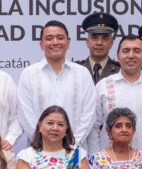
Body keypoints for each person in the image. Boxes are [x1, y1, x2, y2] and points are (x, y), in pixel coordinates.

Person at [88, 35, 142, 164]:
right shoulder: (103, 86)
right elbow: (93, 126)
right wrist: (97, 158)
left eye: (137, 51)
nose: (131, 55)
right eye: (126, 51)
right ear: (118, 56)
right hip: (109, 166)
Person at [17, 20, 96, 149]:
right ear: (41, 45)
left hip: (75, 151)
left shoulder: (82, 73)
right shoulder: (29, 74)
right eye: (49, 38)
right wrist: (43, 143)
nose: (55, 42)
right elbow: (25, 114)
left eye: (60, 38)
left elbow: (89, 113)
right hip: (38, 151)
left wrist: (72, 144)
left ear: (68, 43)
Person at [15, 105, 92, 169]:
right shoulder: (27, 156)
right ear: (40, 126)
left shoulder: (77, 155)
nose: (55, 128)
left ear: (66, 129)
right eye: (50, 123)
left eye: (60, 124)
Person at [74, 13, 120, 84]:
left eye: (105, 38)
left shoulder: (120, 71)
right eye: (94, 38)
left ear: (111, 43)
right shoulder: (75, 70)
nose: (99, 42)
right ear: (87, 42)